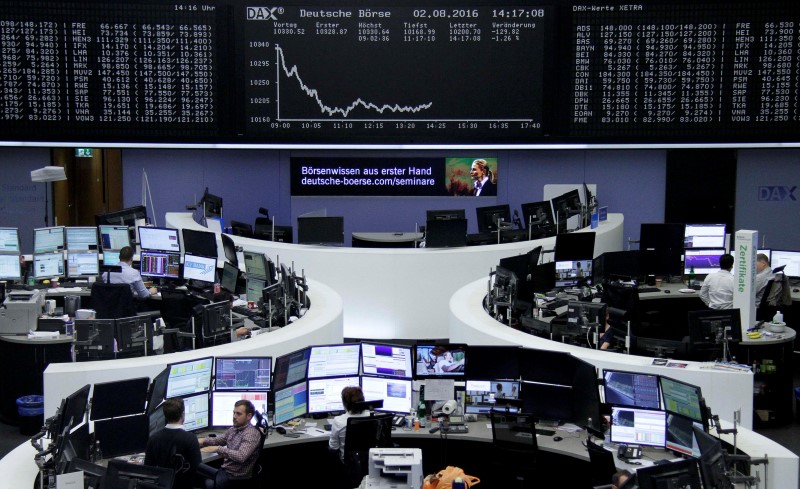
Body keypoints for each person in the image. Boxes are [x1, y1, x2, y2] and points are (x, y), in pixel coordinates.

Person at [199, 400, 262, 487]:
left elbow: (241, 456)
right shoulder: (235, 428)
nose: (234, 416)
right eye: (234, 413)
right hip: (226, 471)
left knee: (203, 481)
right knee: (196, 466)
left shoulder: (251, 434)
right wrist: (203, 440)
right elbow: (220, 439)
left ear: (249, 416)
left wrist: (218, 449)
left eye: (238, 414)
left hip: (235, 477)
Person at [144, 398, 202, 489]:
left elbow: (147, 469)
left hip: (162, 485)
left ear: (165, 416)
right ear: (182, 414)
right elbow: (198, 469)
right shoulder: (190, 439)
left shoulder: (153, 439)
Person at [329, 386, 370, 462]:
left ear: (345, 404)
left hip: (348, 462)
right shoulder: (372, 417)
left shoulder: (338, 421)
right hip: (370, 460)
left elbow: (333, 447)